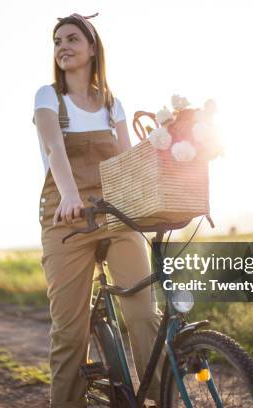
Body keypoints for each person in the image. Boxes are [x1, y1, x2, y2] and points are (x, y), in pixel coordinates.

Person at [32, 12, 166, 408]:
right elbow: (56, 149)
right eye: (57, 41)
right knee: (69, 334)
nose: (63, 47)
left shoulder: (112, 104)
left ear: (92, 48)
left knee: (144, 315)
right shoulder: (48, 97)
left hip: (115, 215)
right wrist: (71, 196)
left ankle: (161, 398)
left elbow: (127, 160)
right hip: (66, 219)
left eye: (72, 39)